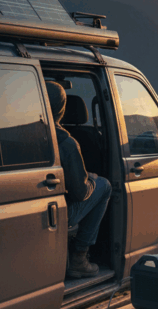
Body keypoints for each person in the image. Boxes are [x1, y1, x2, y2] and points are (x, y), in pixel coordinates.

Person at [45, 81, 112, 278]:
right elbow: (80, 192)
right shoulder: (66, 143)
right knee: (104, 186)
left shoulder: (24, 133)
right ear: (62, 109)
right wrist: (91, 179)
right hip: (59, 211)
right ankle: (79, 257)